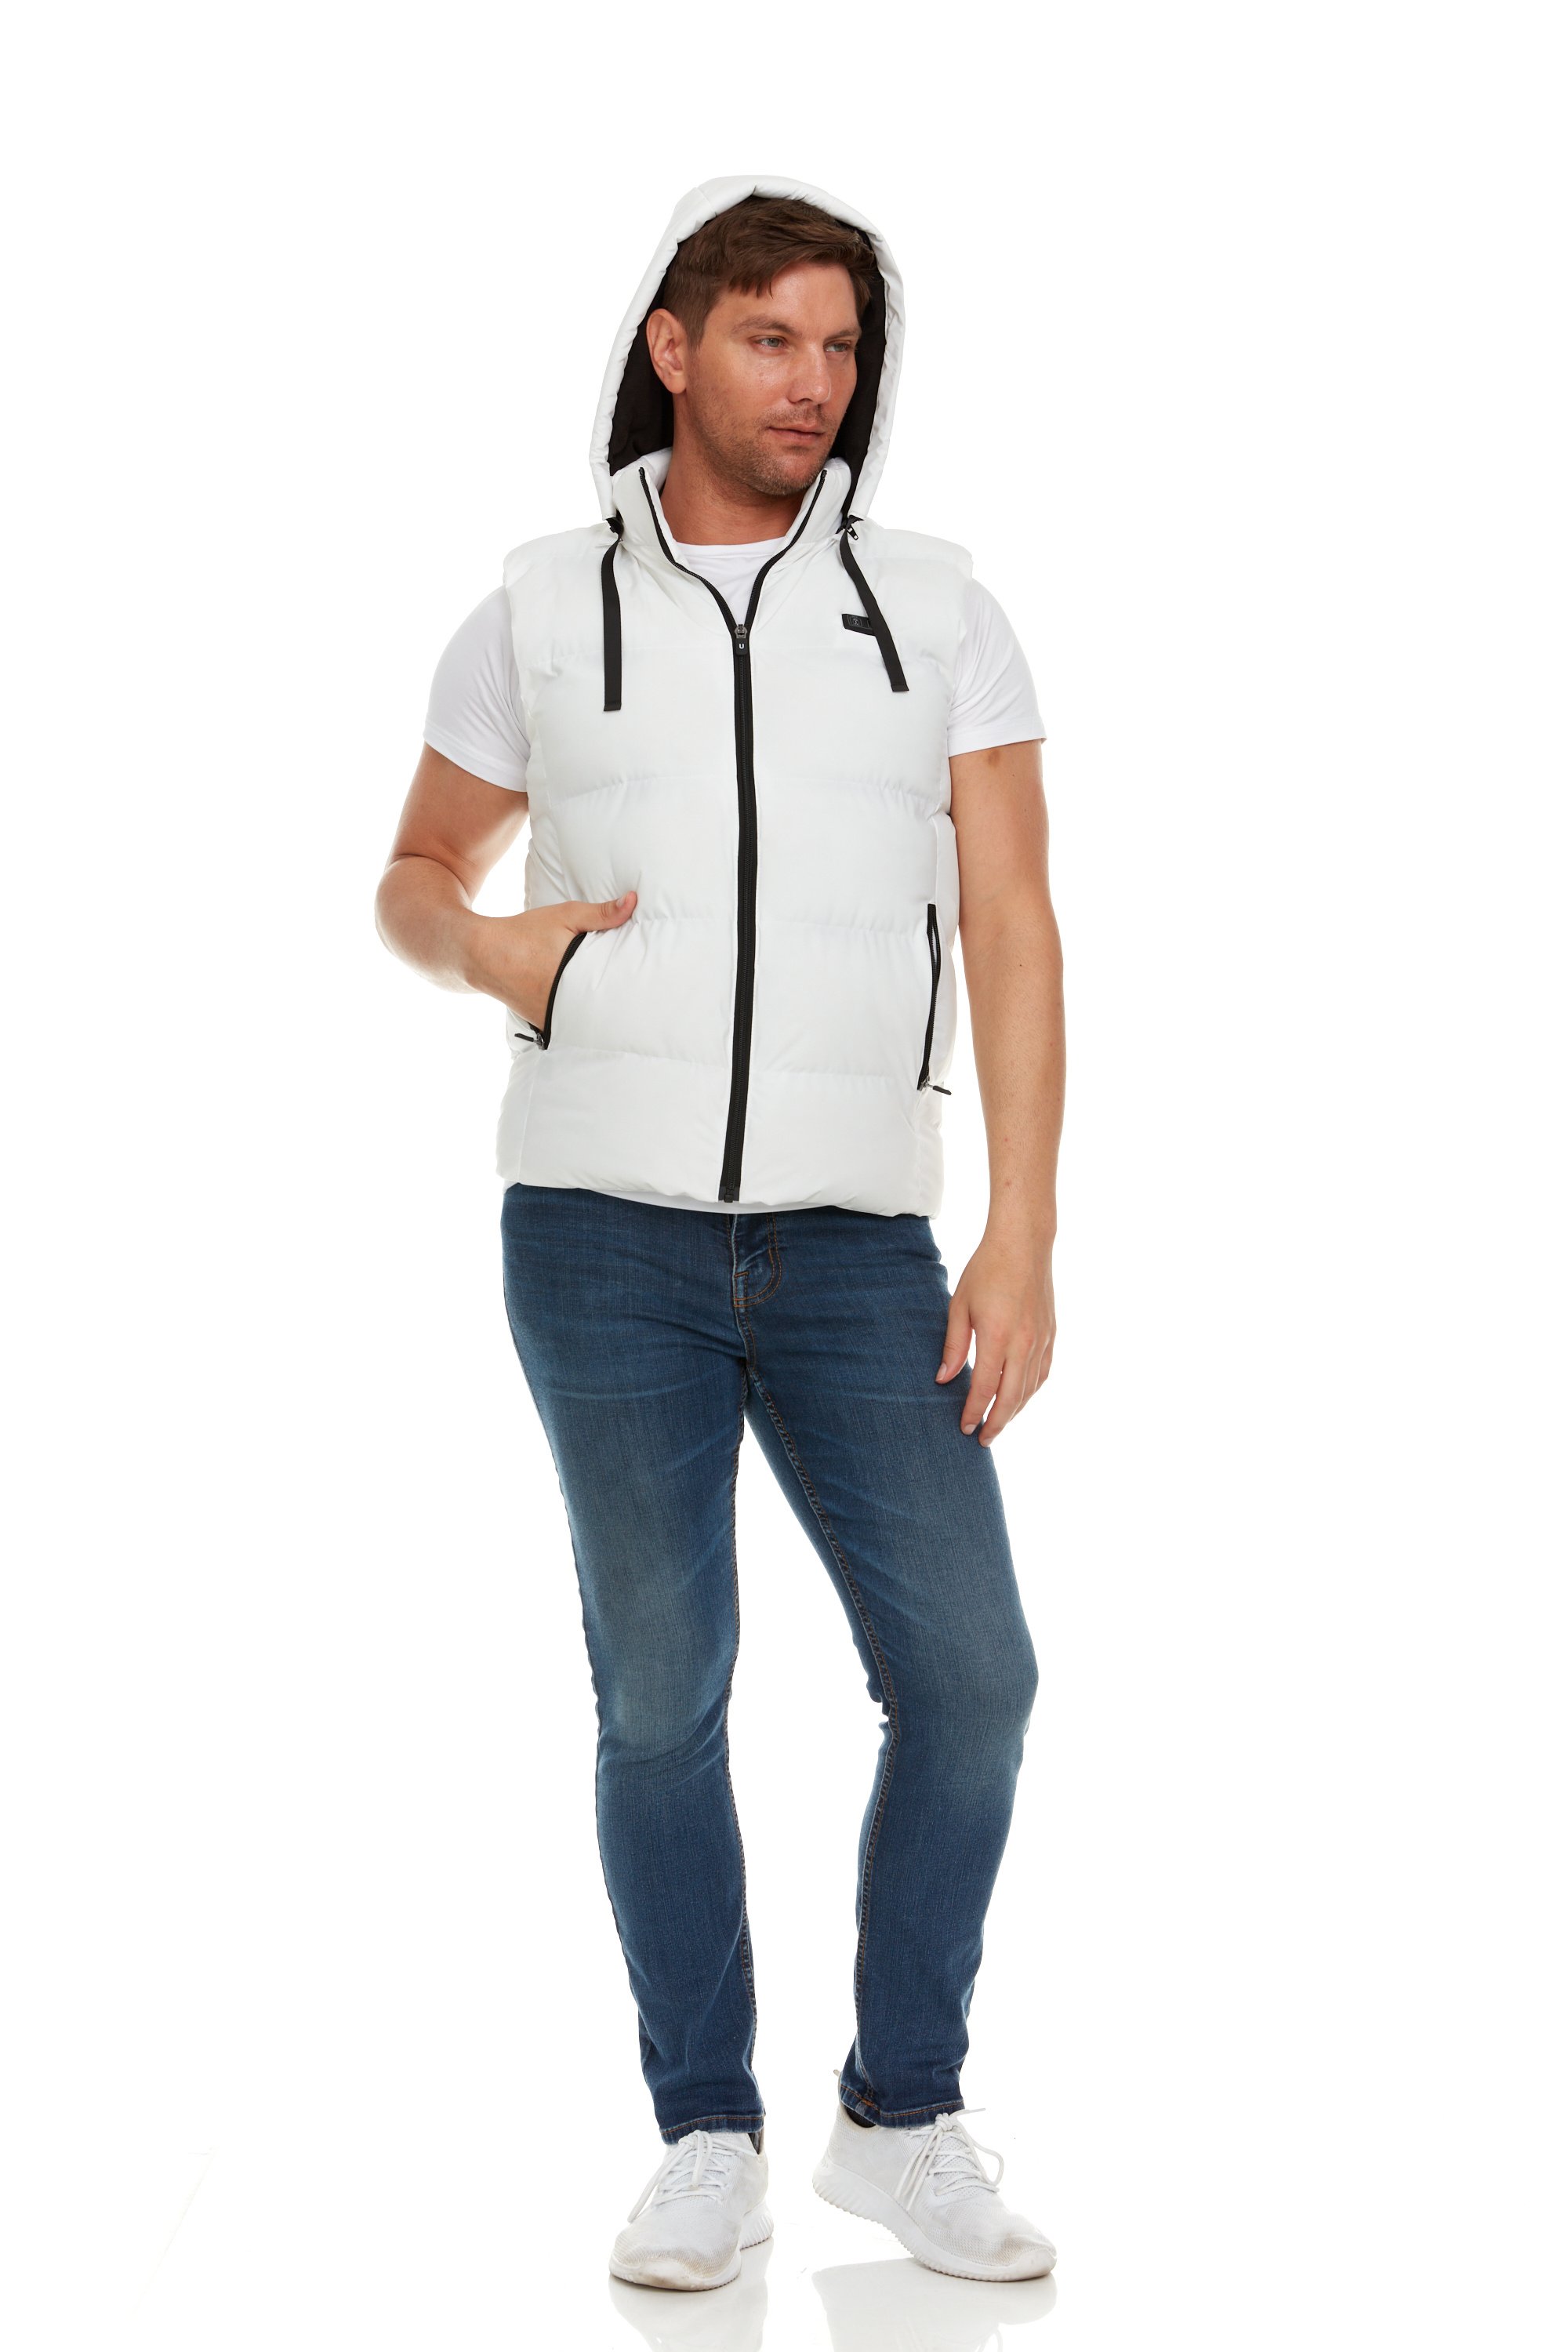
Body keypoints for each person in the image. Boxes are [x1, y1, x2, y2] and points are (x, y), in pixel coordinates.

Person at [375, 175, 1065, 2292]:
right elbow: (416, 871)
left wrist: (1021, 1232)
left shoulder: (937, 611)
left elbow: (1016, 924)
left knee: (972, 1676)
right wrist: (491, 950)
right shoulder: (535, 608)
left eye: (841, 347)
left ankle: (900, 2114)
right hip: (601, 1237)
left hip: (859, 1246)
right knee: (662, 1690)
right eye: (772, 338)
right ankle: (705, 2129)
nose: (813, 382)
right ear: (676, 349)